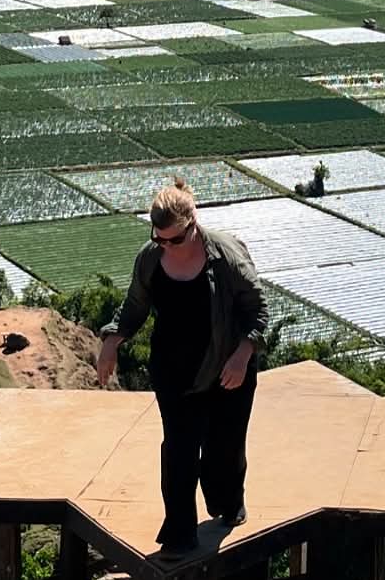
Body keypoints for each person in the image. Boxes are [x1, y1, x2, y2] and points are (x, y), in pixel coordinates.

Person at [96, 179, 267, 557]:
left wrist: (242, 355)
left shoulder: (226, 258)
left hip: (228, 367)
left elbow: (259, 312)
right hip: (173, 370)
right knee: (179, 449)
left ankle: (229, 498)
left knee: (223, 448)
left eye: (174, 239)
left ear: (193, 224)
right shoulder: (151, 258)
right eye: (159, 239)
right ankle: (179, 532)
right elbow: (135, 306)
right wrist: (112, 342)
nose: (165, 246)